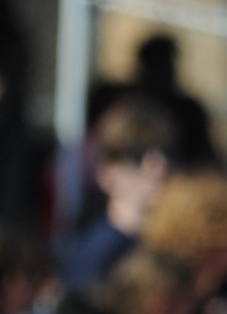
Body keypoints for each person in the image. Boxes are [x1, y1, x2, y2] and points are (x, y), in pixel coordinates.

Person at [59, 98, 177, 293]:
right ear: (105, 175)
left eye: (167, 153)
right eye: (137, 156)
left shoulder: (171, 247)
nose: (158, 167)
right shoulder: (95, 256)